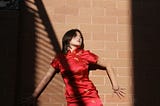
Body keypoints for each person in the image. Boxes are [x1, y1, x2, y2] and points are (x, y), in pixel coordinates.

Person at [21, 29, 125, 106]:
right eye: (76, 36)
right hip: (72, 98)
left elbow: (108, 64)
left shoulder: (85, 54)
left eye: (81, 37)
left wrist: (115, 86)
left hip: (89, 95)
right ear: (68, 39)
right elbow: (47, 76)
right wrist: (34, 95)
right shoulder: (60, 58)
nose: (79, 38)